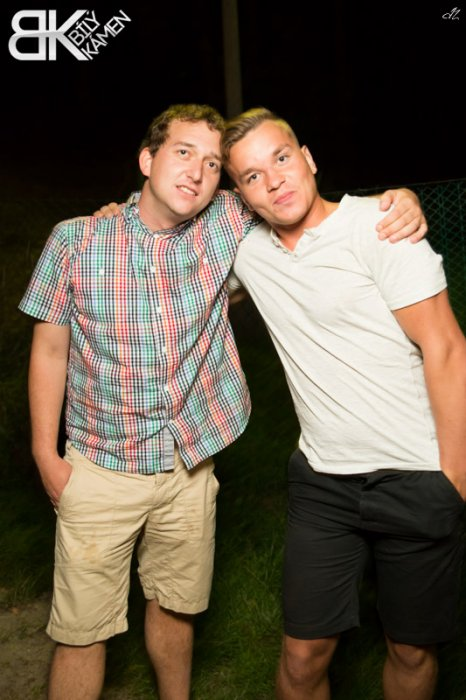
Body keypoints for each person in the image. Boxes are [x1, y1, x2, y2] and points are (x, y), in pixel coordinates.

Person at [19, 103, 426, 700]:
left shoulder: (227, 222)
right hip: (101, 468)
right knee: (82, 632)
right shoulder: (76, 241)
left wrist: (399, 200)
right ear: (147, 159)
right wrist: (44, 454)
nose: (198, 172)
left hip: (190, 467)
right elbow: (50, 349)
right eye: (183, 152)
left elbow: (301, 200)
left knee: (176, 609)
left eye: (213, 163)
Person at [221, 107, 466, 700]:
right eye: (252, 176)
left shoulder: (380, 227)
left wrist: (455, 479)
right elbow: (166, 242)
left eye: (281, 158)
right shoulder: (246, 253)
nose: (274, 180)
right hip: (323, 483)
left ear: (307, 158)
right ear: (241, 196)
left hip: (415, 473)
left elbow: (446, 348)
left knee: (411, 649)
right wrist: (117, 212)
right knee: (302, 655)